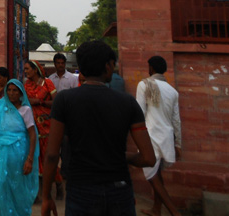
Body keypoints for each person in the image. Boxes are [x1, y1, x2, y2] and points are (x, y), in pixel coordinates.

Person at [41, 40, 157, 216]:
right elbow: (149, 158)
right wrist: (123, 157)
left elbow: (51, 154)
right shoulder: (127, 102)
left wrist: (46, 196)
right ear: (108, 66)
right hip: (119, 189)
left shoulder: (64, 100)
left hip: (81, 188)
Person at [136, 56, 182, 216]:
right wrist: (178, 144)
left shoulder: (144, 84)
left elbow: (139, 113)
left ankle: (174, 212)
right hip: (167, 137)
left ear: (151, 68)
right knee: (157, 173)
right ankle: (156, 209)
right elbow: (176, 120)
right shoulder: (172, 91)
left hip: (150, 135)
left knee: (151, 175)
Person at [0, 79, 38, 215]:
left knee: (17, 187)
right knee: (2, 184)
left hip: (18, 157)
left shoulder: (25, 110)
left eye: (15, 90)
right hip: (1, 155)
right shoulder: (2, 106)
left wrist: (29, 159)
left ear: (20, 93)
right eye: (9, 90)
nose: (11, 93)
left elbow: (32, 135)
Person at [24, 59, 58, 200]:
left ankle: (56, 186)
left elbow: (56, 102)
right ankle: (37, 193)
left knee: (48, 158)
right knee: (35, 157)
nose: (25, 71)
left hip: (47, 126)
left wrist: (40, 102)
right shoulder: (26, 86)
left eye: (27, 69)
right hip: (32, 125)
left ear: (35, 69)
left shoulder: (47, 83)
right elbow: (24, 103)